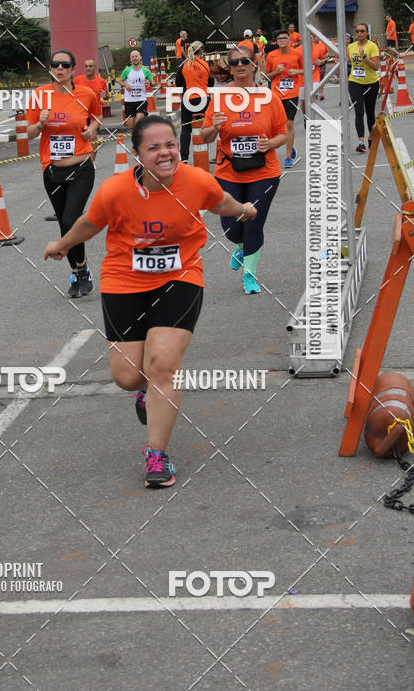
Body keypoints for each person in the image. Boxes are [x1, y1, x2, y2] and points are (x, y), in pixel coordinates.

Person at [44, 114, 256, 488]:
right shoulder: (115, 190)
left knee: (162, 366)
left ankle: (157, 455)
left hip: (180, 277)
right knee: (128, 376)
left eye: (171, 145)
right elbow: (90, 223)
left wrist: (242, 210)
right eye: (154, 147)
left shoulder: (196, 181)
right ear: (137, 154)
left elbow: (219, 200)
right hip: (124, 280)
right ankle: (145, 394)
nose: (165, 153)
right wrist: (62, 245)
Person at [202, 47, 287, 294]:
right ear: (229, 67)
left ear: (254, 64)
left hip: (265, 171)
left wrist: (270, 143)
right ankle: (239, 246)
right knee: (231, 227)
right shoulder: (219, 98)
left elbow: (283, 133)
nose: (240, 65)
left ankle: (249, 274)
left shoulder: (269, 97)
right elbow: (205, 136)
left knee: (253, 223)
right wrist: (214, 128)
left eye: (245, 61)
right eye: (234, 62)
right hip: (229, 170)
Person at [27, 49, 101, 297]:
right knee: (64, 223)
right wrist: (40, 123)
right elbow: (28, 132)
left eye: (64, 65)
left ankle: (81, 270)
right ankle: (78, 271)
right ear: (50, 68)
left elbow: (97, 115)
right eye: (55, 65)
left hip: (81, 167)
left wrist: (92, 129)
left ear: (72, 69)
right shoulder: (40, 95)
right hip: (53, 171)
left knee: (71, 220)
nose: (59, 69)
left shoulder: (85, 94)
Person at [264, 29, 303, 168]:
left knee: (289, 124)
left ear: (289, 40)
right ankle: (289, 146)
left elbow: (307, 69)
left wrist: (297, 71)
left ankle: (288, 157)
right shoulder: (271, 56)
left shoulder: (297, 53)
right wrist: (277, 71)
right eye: (279, 38)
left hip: (292, 94)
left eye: (284, 38)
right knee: (274, 126)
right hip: (276, 95)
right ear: (276, 41)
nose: (282, 40)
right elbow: (266, 76)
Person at [175, 40, 213, 162]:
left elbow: (178, 83)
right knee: (204, 126)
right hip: (203, 98)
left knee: (186, 128)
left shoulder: (184, 65)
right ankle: (203, 151)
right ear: (201, 52)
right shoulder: (205, 65)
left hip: (188, 99)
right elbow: (210, 83)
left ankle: (184, 158)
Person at [347, 24, 380, 152]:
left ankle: (371, 136)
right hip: (355, 82)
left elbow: (376, 66)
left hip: (371, 82)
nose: (359, 33)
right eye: (357, 31)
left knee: (370, 112)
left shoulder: (372, 46)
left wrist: (365, 57)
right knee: (359, 111)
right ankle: (361, 141)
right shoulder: (351, 47)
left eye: (362, 31)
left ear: (367, 33)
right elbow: (347, 61)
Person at [119, 50, 154, 130]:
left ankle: (142, 137)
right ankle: (138, 138)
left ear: (140, 58)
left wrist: (149, 82)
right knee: (130, 126)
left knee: (139, 121)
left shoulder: (145, 71)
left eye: (136, 56)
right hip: (129, 101)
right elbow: (120, 81)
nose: (134, 58)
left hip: (141, 100)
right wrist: (125, 85)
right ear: (130, 59)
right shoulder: (127, 71)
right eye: (133, 57)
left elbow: (154, 83)